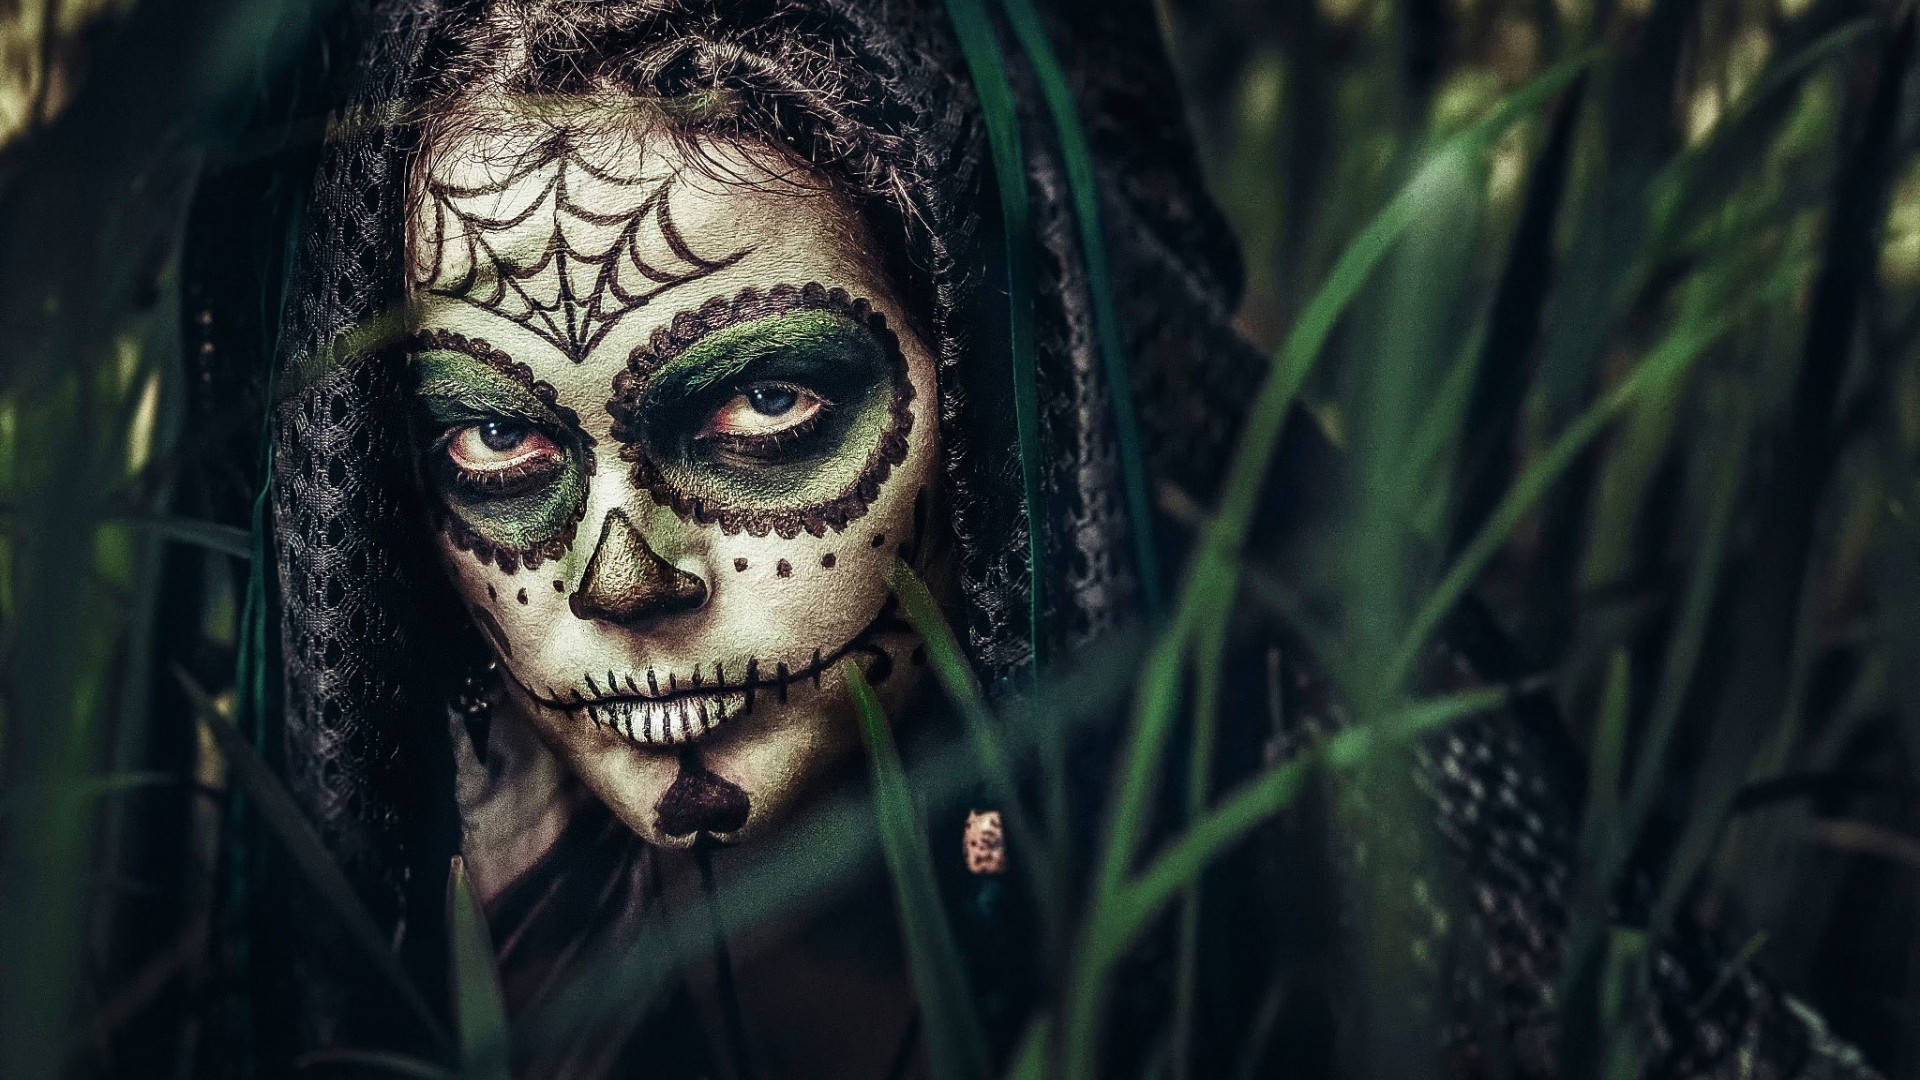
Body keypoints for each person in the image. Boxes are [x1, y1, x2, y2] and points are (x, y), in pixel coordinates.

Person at [189, 0, 1882, 1076]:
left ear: (995, 381)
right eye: (496, 440)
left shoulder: (1280, 769)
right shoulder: (384, 810)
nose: (618, 581)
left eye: (763, 410)